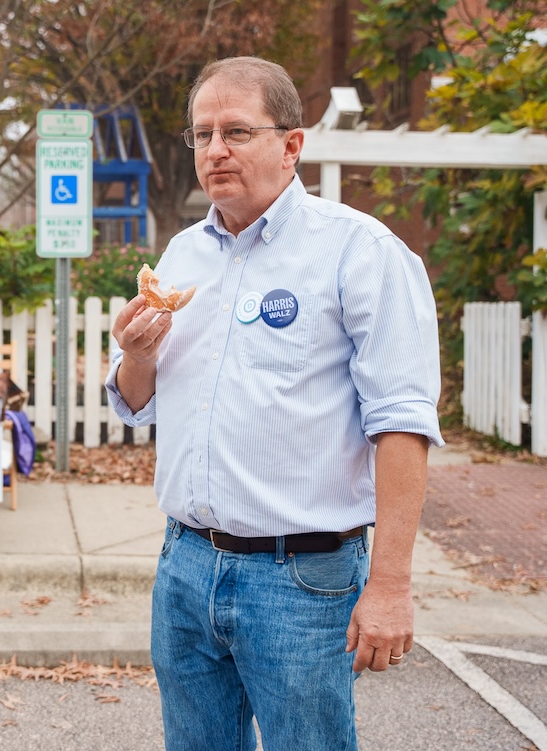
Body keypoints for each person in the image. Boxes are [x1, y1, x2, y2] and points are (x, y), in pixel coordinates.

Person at [106, 56, 444, 751]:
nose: (214, 150)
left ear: (292, 144)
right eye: (201, 135)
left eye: (236, 130)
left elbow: (403, 422)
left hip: (302, 581)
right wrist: (136, 354)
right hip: (186, 567)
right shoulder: (181, 255)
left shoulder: (360, 251)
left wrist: (391, 584)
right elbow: (137, 402)